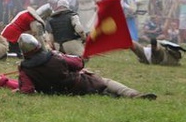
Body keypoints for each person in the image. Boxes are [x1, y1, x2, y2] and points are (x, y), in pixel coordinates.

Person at [17, 34, 156, 99]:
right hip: (77, 86)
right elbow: (78, 64)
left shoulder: (25, 69)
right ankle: (133, 94)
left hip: (57, 92)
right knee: (104, 82)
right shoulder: (54, 57)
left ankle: (112, 95)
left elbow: (27, 89)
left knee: (102, 89)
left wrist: (19, 90)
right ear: (37, 45)